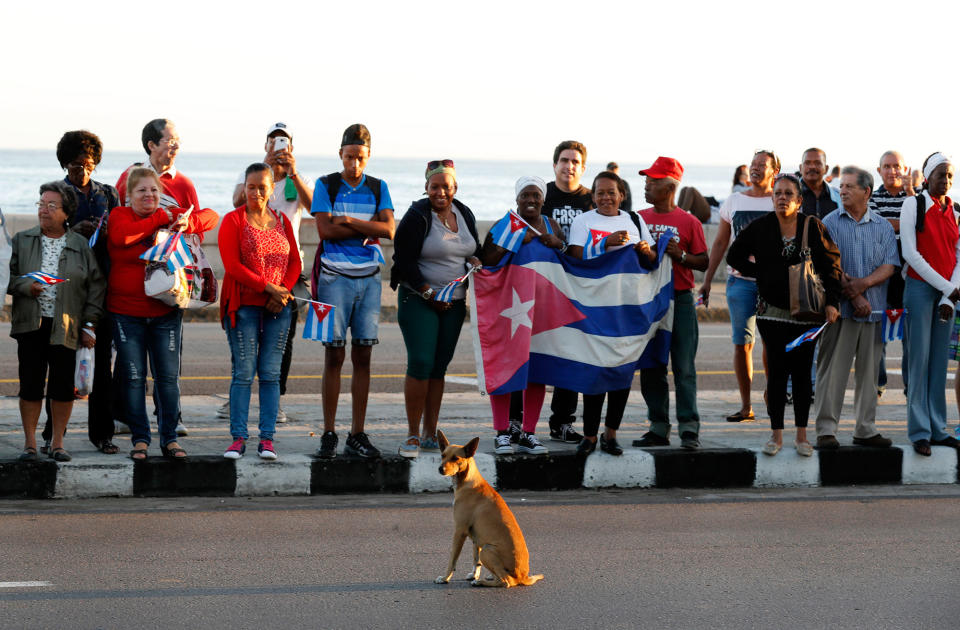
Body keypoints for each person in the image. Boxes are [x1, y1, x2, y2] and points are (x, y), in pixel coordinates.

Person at [727, 174, 842, 456]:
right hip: (772, 314)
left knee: (802, 374)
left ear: (799, 200)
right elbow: (734, 256)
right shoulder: (761, 227)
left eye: (788, 194)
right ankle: (776, 436)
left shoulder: (812, 226)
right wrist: (762, 274)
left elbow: (832, 266)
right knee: (777, 375)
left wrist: (832, 302)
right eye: (778, 193)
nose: (782, 198)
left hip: (807, 315)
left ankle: (802, 437)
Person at [107, 168, 218, 460]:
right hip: (126, 313)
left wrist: (187, 220)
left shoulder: (172, 214)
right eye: (142, 191)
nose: (149, 196)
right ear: (128, 196)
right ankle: (140, 438)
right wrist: (164, 218)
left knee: (167, 379)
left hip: (166, 310)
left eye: (154, 191)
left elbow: (212, 216)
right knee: (133, 378)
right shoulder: (120, 216)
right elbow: (123, 238)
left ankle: (169, 438)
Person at [311, 123, 396, 459]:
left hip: (369, 281)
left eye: (360, 158)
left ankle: (357, 433)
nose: (354, 164)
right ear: (341, 154)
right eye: (349, 157)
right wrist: (355, 226)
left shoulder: (378, 186)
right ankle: (329, 432)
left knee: (363, 357)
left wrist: (348, 221)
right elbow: (324, 230)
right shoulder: (326, 184)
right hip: (334, 281)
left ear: (368, 156)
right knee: (334, 356)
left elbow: (388, 228)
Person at [220, 122, 314, 423]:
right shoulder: (254, 175)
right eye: (274, 142)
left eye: (284, 142)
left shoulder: (298, 177)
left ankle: (277, 401)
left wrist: (292, 174)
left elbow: (314, 208)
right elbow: (238, 204)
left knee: (281, 344)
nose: (279, 147)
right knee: (245, 350)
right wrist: (267, 176)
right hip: (254, 277)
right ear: (266, 146)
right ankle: (240, 401)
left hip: (287, 273)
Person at [7, 182, 105, 462]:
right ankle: (29, 444)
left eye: (52, 206)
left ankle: (58, 443)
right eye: (41, 204)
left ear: (66, 213)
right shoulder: (22, 240)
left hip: (67, 325)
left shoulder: (80, 245)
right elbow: (7, 279)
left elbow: (95, 287)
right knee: (30, 385)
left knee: (62, 387)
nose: (44, 210)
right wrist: (26, 287)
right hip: (31, 325)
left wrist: (89, 324)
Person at [391, 160, 481, 457]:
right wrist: (428, 291)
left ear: (455, 188)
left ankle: (432, 432)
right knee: (420, 363)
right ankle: (413, 434)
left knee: (439, 369)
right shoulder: (417, 215)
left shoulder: (464, 213)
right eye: (434, 186)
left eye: (446, 186)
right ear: (426, 187)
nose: (440, 192)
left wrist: (474, 261)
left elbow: (471, 249)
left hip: (454, 303)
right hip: (418, 299)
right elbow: (402, 260)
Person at [116, 118, 199, 438]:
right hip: (131, 286)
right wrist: (162, 219)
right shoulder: (130, 176)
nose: (175, 146)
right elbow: (122, 224)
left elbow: (199, 220)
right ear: (151, 145)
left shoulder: (184, 183)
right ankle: (125, 415)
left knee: (169, 364)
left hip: (169, 284)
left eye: (178, 140)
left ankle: (171, 417)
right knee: (129, 363)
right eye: (170, 140)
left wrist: (186, 224)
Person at [567, 171, 656, 456]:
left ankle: (611, 434)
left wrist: (646, 251)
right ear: (592, 197)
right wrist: (604, 244)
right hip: (594, 307)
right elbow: (575, 259)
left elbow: (652, 260)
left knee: (621, 371)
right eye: (600, 193)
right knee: (595, 371)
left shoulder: (634, 220)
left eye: (611, 192)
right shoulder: (583, 221)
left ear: (621, 195)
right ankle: (590, 435)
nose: (606, 197)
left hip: (627, 307)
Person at [218, 163, 301, 460]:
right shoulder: (233, 220)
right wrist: (269, 288)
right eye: (250, 187)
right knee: (243, 373)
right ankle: (238, 438)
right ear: (244, 188)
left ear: (272, 189)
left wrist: (282, 291)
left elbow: (295, 262)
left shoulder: (281, 220)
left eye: (262, 187)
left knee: (270, 374)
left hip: (278, 307)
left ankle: (267, 439)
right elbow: (232, 267)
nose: (256, 192)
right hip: (244, 307)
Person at [478, 176, 565, 454]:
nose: (530, 200)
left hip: (542, 310)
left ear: (543, 199)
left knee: (537, 372)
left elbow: (569, 262)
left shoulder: (553, 226)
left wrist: (558, 244)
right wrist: (514, 240)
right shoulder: (506, 225)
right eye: (525, 196)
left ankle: (528, 432)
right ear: (517, 199)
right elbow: (487, 261)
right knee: (504, 368)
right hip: (510, 310)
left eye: (535, 196)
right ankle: (502, 432)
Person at [815, 166, 898, 449]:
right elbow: (829, 266)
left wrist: (862, 286)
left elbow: (889, 265)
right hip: (839, 311)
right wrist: (853, 295)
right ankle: (826, 430)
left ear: (867, 192)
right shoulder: (830, 222)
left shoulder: (883, 226)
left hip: (873, 312)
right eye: (842, 187)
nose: (843, 191)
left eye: (850, 186)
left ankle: (865, 428)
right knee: (832, 371)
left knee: (869, 374)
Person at [49, 130, 120, 454]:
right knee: (62, 363)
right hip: (67, 288)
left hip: (101, 286)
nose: (84, 172)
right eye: (77, 166)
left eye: (89, 165)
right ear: (66, 164)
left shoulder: (107, 193)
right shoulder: (57, 193)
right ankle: (54, 433)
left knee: (102, 362)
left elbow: (121, 231)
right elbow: (47, 236)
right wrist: (73, 231)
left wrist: (107, 232)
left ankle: (102, 433)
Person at [699, 150, 780, 423]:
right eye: (753, 164)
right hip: (739, 283)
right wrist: (708, 279)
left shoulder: (779, 200)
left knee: (772, 344)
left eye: (762, 165)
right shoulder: (733, 201)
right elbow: (721, 242)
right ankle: (746, 406)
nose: (755, 168)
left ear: (774, 172)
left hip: (772, 284)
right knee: (742, 344)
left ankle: (772, 394)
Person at [635, 157, 709, 450]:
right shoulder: (638, 217)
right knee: (652, 366)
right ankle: (658, 426)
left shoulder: (688, 222)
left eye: (653, 181)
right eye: (646, 180)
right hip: (649, 300)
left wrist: (680, 256)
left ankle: (689, 428)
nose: (647, 185)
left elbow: (703, 261)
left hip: (680, 298)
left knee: (683, 366)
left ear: (670, 186)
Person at [899, 153, 960, 456]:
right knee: (918, 362)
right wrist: (947, 288)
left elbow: (959, 256)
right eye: (941, 175)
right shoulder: (914, 204)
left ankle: (939, 428)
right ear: (926, 176)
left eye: (950, 176)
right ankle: (920, 431)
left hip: (946, 296)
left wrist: (949, 296)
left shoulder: (956, 211)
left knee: (939, 364)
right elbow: (910, 254)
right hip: (921, 290)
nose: (946, 181)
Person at [539, 140, 594, 446]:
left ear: (582, 168)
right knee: (535, 353)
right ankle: (519, 424)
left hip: (579, 287)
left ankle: (562, 421)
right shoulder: (541, 195)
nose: (569, 165)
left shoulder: (591, 200)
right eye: (564, 160)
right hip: (544, 285)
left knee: (571, 354)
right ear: (554, 164)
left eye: (575, 161)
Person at [869, 150, 915, 396]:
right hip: (882, 274)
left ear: (905, 169)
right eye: (886, 166)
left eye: (897, 166)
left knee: (911, 337)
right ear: (879, 171)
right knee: (879, 336)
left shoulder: (915, 197)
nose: (892, 170)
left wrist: (909, 198)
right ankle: (878, 383)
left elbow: (922, 224)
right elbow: (876, 227)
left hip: (910, 276)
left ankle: (911, 386)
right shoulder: (873, 198)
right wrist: (904, 224)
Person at [798, 148, 842, 219]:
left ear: (826, 169)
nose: (812, 167)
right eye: (807, 163)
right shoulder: (788, 195)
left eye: (817, 163)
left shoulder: (838, 197)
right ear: (800, 168)